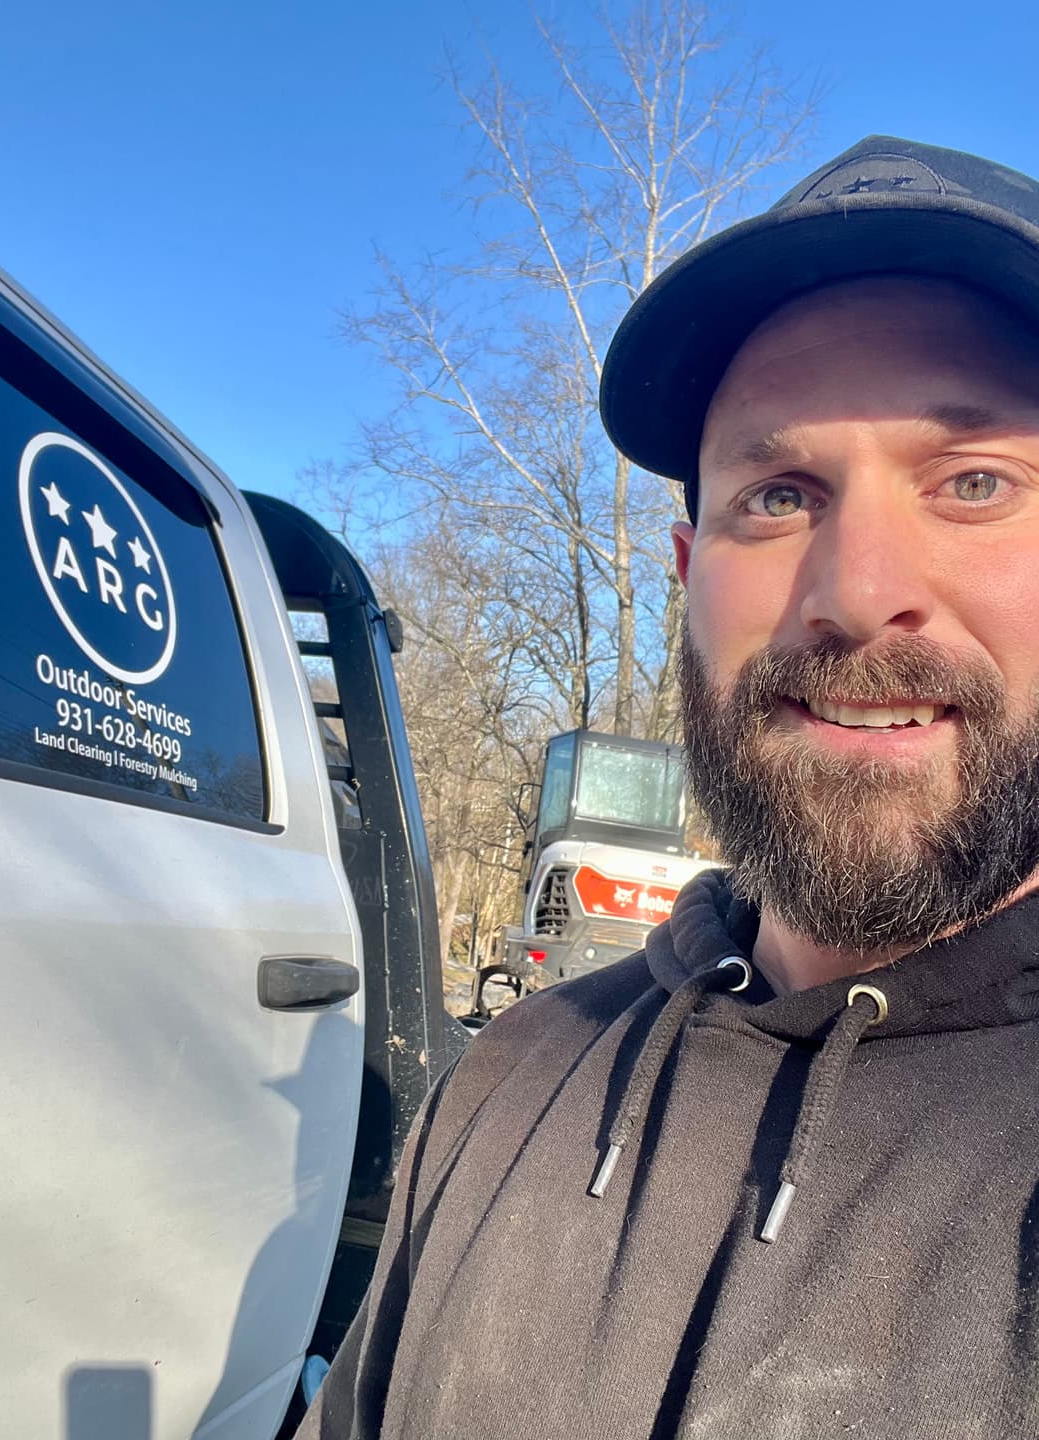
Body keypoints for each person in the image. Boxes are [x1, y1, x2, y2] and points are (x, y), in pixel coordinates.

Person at [298, 136, 1039, 1439]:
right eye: (780, 493)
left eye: (974, 481)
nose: (859, 593)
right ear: (690, 576)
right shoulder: (508, 1080)